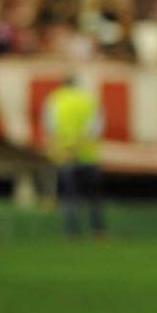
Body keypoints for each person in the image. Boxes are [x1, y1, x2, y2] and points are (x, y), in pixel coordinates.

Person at [44, 77, 106, 239]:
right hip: (87, 155)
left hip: (65, 154)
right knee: (94, 196)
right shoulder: (88, 100)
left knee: (70, 196)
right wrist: (80, 145)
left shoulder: (55, 99)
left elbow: (50, 126)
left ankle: (72, 233)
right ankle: (98, 231)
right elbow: (96, 127)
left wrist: (67, 149)